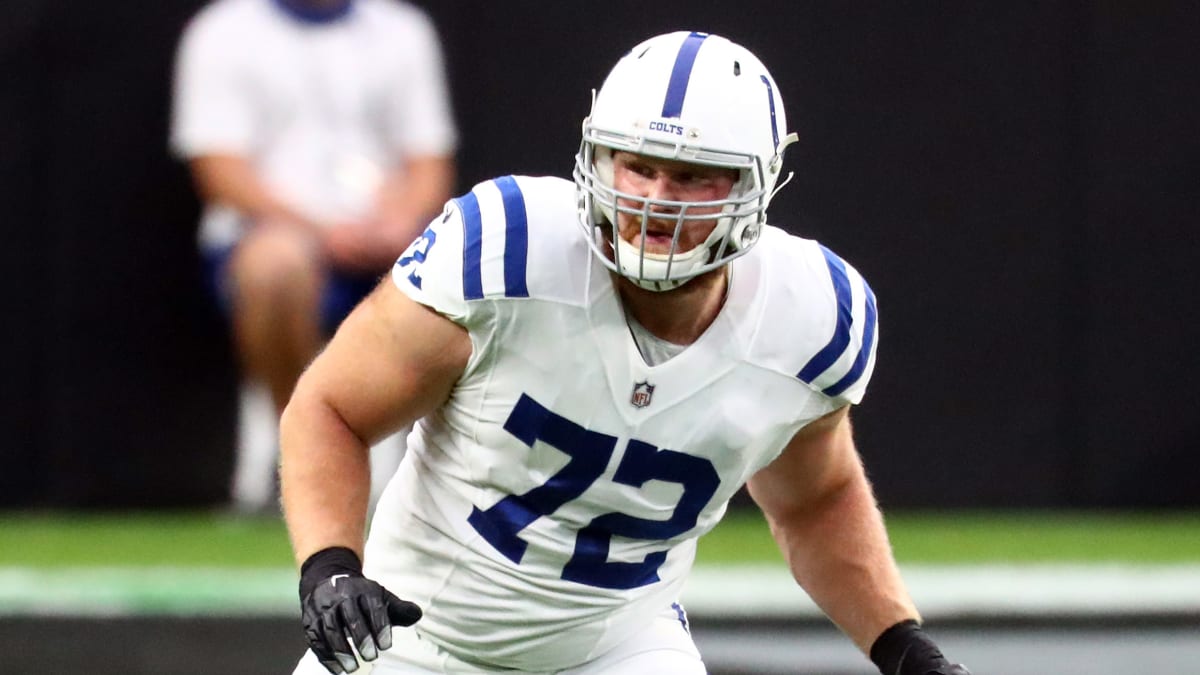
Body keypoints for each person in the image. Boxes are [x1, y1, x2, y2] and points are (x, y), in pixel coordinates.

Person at [280, 30, 970, 675]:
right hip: (412, 638)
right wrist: (331, 565)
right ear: (597, 157)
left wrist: (900, 644)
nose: (656, 201)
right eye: (638, 167)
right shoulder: (509, 250)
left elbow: (815, 500)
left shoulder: (811, 317)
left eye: (694, 176)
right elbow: (332, 406)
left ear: (757, 187)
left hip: (616, 646)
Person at [169, 0, 458, 511]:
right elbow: (220, 170)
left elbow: (429, 165)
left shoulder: (402, 31)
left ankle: (409, 458)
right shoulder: (222, 31)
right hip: (274, 237)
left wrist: (397, 223)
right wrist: (323, 231)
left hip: (384, 242)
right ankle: (301, 440)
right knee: (275, 265)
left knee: (462, 265)